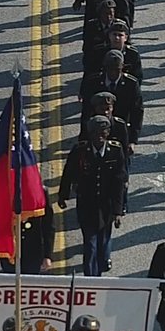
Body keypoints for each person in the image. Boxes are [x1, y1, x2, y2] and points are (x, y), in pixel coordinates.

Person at [58, 117, 127, 275]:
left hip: (107, 207)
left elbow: (119, 182)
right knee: (90, 244)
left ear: (108, 133)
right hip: (87, 205)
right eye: (95, 133)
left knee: (103, 244)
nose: (99, 136)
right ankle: (91, 279)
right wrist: (63, 196)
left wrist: (117, 211)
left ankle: (100, 267)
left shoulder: (115, 151)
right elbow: (68, 174)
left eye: (103, 132)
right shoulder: (80, 151)